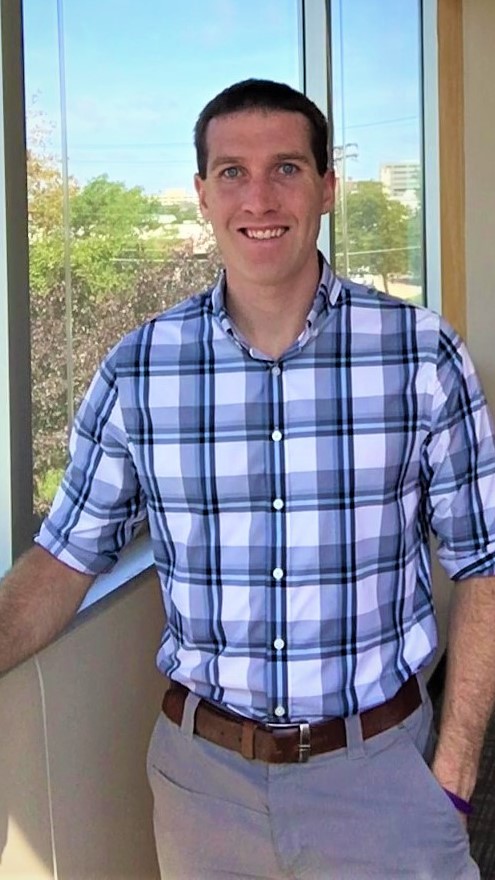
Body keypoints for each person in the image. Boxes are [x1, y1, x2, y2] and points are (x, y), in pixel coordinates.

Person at [1, 78, 495, 879]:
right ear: (202, 193)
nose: (258, 198)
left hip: (382, 777)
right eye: (232, 171)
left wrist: (455, 774)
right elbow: (64, 557)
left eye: (286, 169)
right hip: (202, 789)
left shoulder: (418, 354)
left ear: (326, 187)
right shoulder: (140, 370)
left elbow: (484, 561)